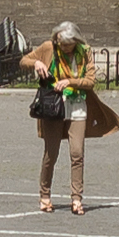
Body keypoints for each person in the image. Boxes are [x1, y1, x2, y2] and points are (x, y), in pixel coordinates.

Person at [22, 19, 98, 214]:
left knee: (77, 153)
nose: (63, 48)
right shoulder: (50, 47)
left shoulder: (85, 52)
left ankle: (76, 199)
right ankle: (45, 195)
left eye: (67, 44)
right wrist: (37, 62)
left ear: (76, 41)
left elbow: (90, 81)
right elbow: (24, 61)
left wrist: (70, 82)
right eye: (60, 44)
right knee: (51, 153)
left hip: (77, 104)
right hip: (53, 106)